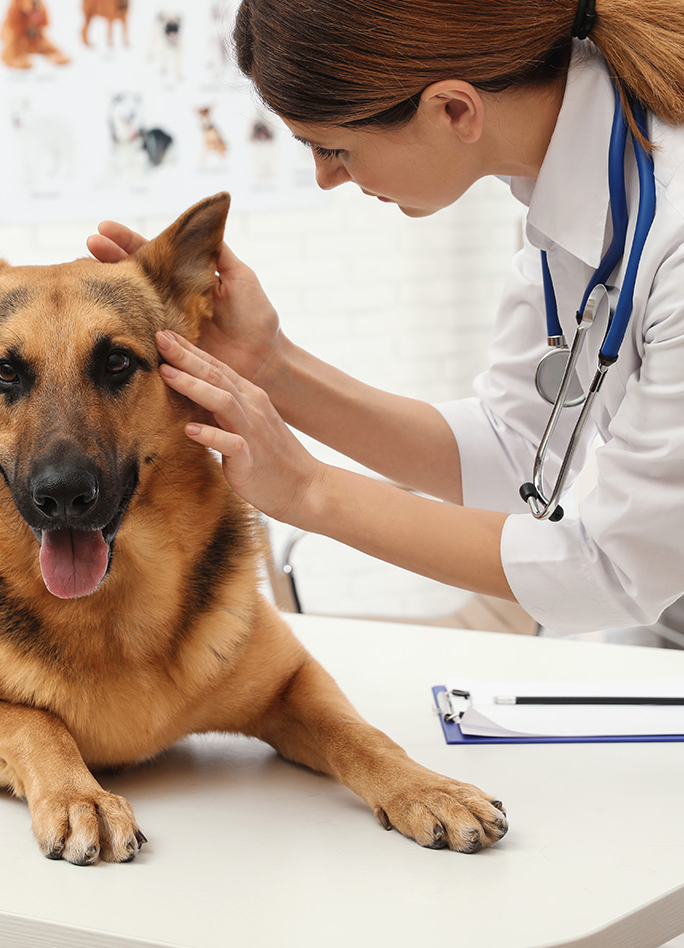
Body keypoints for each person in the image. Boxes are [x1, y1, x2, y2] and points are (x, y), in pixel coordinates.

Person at [86, 0, 684, 638]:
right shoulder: (575, 191)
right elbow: (515, 454)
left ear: (454, 109)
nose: (324, 178)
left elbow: (616, 568)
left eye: (335, 149)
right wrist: (269, 366)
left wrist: (309, 490)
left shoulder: (670, 227)